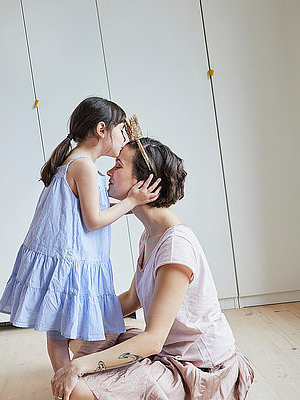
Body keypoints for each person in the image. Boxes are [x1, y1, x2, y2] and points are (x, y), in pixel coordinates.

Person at [50, 137, 254, 400]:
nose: (109, 172)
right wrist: (79, 322)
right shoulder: (151, 235)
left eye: (118, 166)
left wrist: (79, 365)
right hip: (167, 352)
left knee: (77, 387)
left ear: (144, 183)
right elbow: (132, 299)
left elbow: (153, 339)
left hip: (198, 370)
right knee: (82, 339)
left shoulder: (175, 245)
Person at [0, 97, 161, 373]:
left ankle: (68, 380)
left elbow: (89, 210)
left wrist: (129, 206)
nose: (125, 137)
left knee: (58, 334)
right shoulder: (83, 165)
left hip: (68, 258)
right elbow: (94, 220)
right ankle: (72, 383)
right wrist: (130, 202)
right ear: (101, 130)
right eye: (121, 130)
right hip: (70, 260)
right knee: (61, 335)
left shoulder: (76, 162)